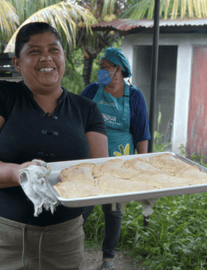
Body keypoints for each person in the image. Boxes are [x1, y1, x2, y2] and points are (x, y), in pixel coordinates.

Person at [0, 22, 108, 270]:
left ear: (63, 57)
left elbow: (99, 172)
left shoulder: (87, 110)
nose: (46, 58)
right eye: (33, 51)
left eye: (54, 50)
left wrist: (138, 188)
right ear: (17, 63)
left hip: (64, 241)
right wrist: (19, 173)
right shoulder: (0, 95)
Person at [81, 47, 151, 270]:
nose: (100, 72)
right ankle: (70, 251)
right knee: (80, 208)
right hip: (89, 162)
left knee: (113, 211)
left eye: (104, 68)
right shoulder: (92, 90)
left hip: (118, 163)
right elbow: (76, 121)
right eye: (100, 68)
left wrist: (143, 167)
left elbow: (142, 133)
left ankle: (108, 259)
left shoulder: (135, 96)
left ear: (118, 70)